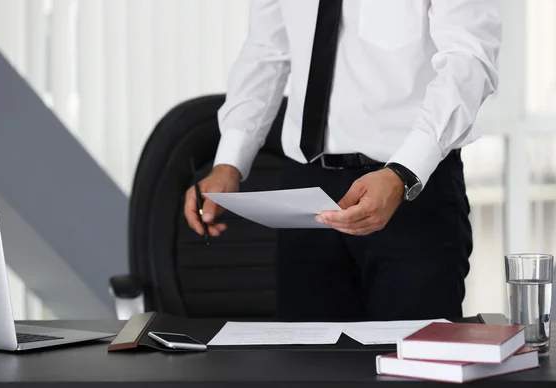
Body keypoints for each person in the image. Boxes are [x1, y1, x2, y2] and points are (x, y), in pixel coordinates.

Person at [184, 0, 501, 322]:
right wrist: (229, 163)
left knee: (414, 358)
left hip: (409, 187)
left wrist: (404, 170)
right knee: (308, 360)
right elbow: (266, 53)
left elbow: (468, 61)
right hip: (305, 190)